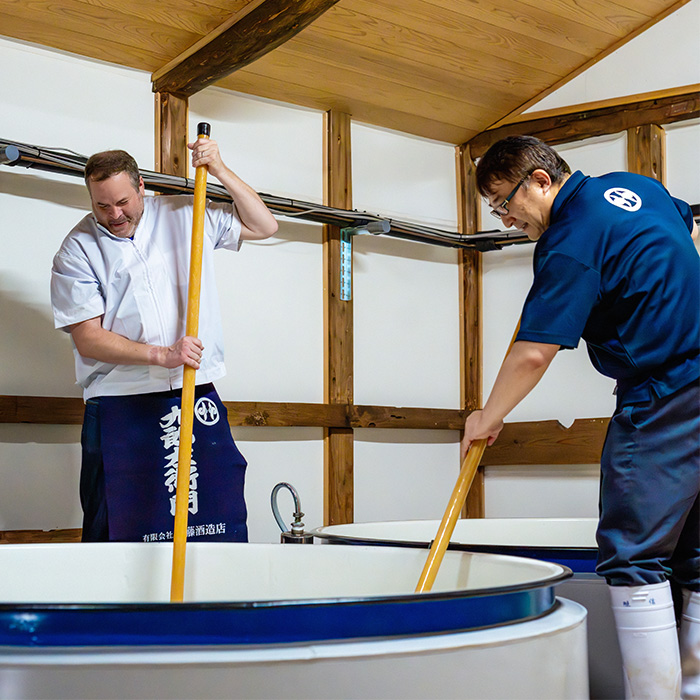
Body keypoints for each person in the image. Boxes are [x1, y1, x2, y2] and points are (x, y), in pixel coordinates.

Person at [461, 135, 699, 699]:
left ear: (540, 180)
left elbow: (533, 351)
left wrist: (487, 417)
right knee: (693, 552)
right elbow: (680, 223)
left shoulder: (569, 241)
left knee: (632, 554)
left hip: (663, 394)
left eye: (505, 203)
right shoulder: (635, 187)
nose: (505, 218)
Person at [51, 137, 278, 545]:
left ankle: (204, 605)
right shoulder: (77, 248)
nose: (114, 214)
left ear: (141, 187)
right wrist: (162, 354)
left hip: (194, 388)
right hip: (119, 398)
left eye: (122, 201)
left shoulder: (185, 213)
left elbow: (265, 225)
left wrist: (221, 170)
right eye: (102, 206)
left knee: (213, 514)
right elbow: (88, 338)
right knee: (115, 524)